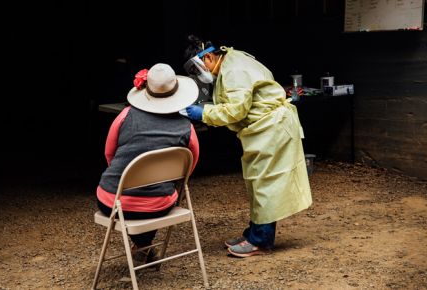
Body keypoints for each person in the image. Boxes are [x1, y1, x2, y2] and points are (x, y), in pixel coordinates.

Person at [183, 35, 312, 258]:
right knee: (257, 183)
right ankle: (252, 234)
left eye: (197, 69)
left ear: (209, 57)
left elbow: (236, 111)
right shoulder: (230, 63)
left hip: (271, 128)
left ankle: (261, 241)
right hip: (262, 129)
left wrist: (204, 113)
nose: (198, 74)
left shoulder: (234, 70)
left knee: (265, 185)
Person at [96, 63, 200, 263]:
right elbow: (189, 166)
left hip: (112, 201)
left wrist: (130, 179)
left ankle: (142, 246)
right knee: (155, 200)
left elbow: (109, 154)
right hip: (160, 204)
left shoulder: (125, 115)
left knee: (137, 205)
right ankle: (143, 245)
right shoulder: (186, 127)